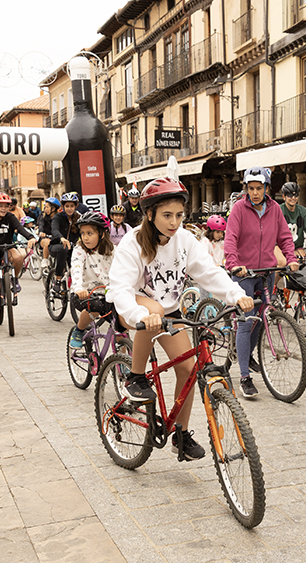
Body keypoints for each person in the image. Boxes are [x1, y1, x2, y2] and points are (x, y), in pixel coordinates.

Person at [107, 178, 253, 460]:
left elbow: (208, 272)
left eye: (179, 215)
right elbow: (120, 288)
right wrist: (140, 314)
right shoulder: (132, 242)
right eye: (166, 215)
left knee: (188, 369)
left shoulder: (185, 240)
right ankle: (135, 376)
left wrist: (235, 295)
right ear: (149, 214)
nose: (174, 222)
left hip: (168, 310)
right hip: (133, 307)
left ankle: (180, 434)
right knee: (156, 312)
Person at [224, 167, 299, 398]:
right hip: (244, 273)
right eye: (251, 188)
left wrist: (292, 258)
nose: (255, 193)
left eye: (259, 188)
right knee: (247, 322)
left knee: (262, 316)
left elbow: (284, 237)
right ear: (246, 189)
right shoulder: (239, 208)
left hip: (266, 271)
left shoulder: (275, 209)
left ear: (267, 188)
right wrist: (234, 264)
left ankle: (247, 353)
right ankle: (245, 376)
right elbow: (231, 239)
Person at [68, 211, 114, 348]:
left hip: (108, 292)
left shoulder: (113, 251)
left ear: (102, 234)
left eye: (90, 233)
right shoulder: (79, 250)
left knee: (121, 326)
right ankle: (79, 330)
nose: (85, 238)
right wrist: (78, 288)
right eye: (82, 233)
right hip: (85, 292)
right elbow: (76, 269)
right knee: (94, 308)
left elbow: (123, 270)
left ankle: (122, 358)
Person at [49, 192, 83, 293]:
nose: (69, 208)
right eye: (67, 206)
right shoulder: (57, 217)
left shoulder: (79, 218)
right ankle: (58, 279)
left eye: (72, 206)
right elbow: (54, 230)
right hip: (56, 246)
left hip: (72, 247)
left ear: (76, 206)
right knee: (63, 248)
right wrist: (61, 238)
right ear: (63, 206)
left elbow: (83, 232)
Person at [280, 182, 306, 254]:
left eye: (295, 195)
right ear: (284, 197)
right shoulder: (278, 210)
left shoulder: (303, 211)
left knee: (304, 262)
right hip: (281, 247)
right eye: (290, 195)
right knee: (283, 263)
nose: (293, 198)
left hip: (297, 247)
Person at [36, 197, 60, 268]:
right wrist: (41, 232)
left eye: (47, 207)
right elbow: (41, 225)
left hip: (56, 239)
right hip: (45, 238)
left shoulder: (59, 218)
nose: (45, 209)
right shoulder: (43, 217)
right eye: (45, 207)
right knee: (48, 242)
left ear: (53, 208)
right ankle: (45, 259)